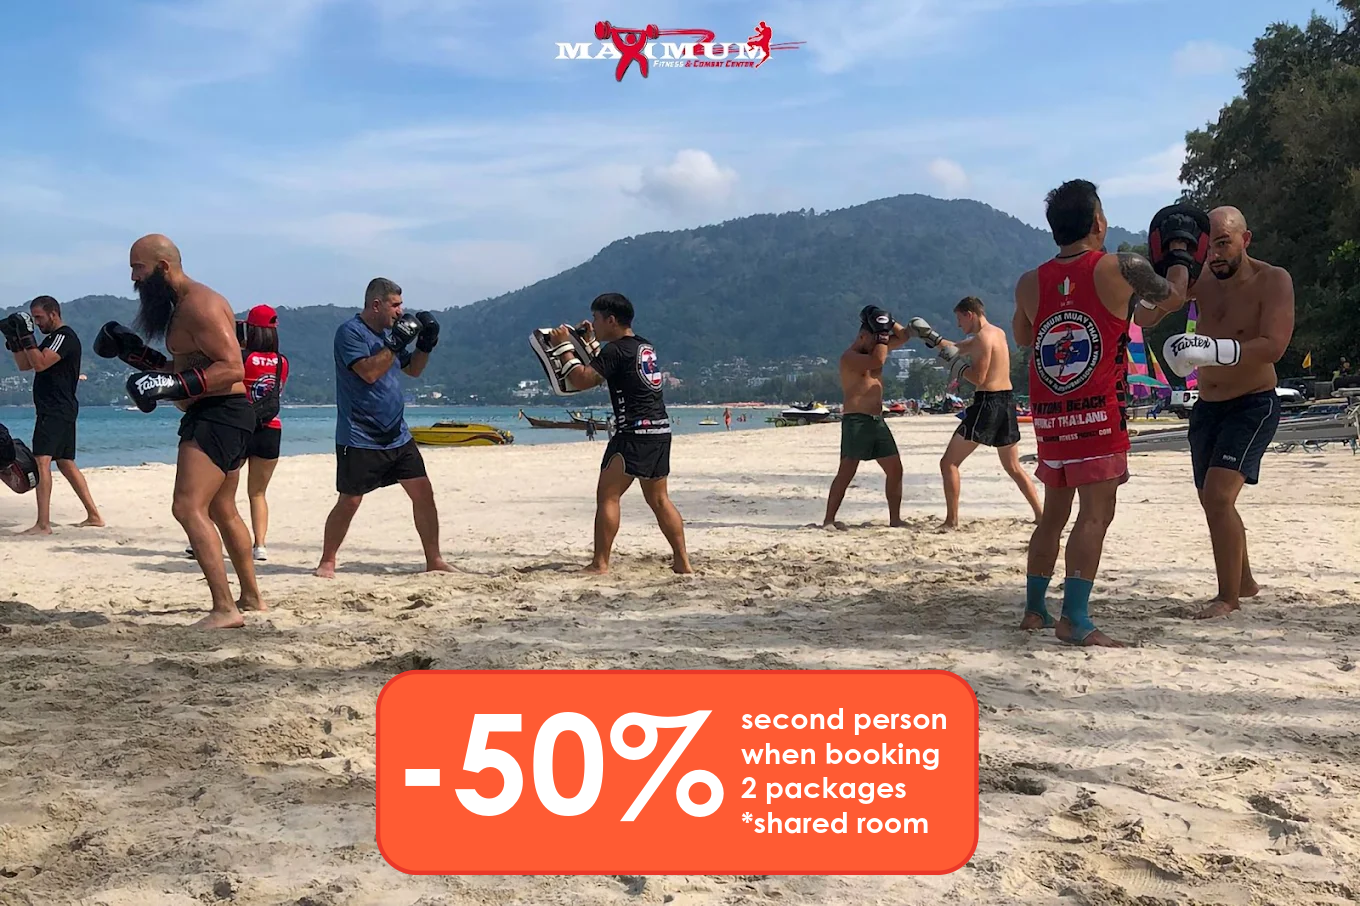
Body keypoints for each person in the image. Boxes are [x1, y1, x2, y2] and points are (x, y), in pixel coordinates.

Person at [1012, 181, 1196, 647]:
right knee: (1094, 516)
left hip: (1052, 416)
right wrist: (1178, 251)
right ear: (1098, 222)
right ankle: (1074, 617)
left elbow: (1024, 335)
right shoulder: (1123, 267)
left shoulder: (1029, 282)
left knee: (1052, 517)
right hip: (1097, 412)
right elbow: (1173, 297)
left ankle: (1035, 609)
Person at [95, 234, 265, 629]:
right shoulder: (181, 308)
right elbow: (189, 366)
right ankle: (252, 597)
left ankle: (225, 610)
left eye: (138, 268)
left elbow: (231, 368)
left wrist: (172, 387)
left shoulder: (199, 306)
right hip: (226, 414)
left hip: (218, 414)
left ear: (163, 267)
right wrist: (138, 358)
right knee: (222, 508)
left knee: (187, 507)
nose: (135, 278)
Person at [1149, 206, 1295, 620]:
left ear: (1245, 240)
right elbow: (1147, 314)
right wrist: (1164, 276)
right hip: (1208, 406)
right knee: (1211, 500)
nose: (1214, 254)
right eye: (1208, 245)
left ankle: (1227, 597)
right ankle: (1244, 581)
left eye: (1223, 243)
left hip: (1253, 403)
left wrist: (1214, 350)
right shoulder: (1201, 280)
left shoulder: (1273, 279)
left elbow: (1274, 345)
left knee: (1217, 497)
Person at [546, 292, 693, 575]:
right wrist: (589, 341)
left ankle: (600, 563)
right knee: (660, 500)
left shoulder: (616, 350)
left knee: (608, 497)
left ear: (611, 320)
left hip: (633, 433)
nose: (594, 323)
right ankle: (682, 562)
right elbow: (608, 366)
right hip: (660, 430)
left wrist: (563, 346)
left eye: (597, 319)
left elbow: (581, 379)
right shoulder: (642, 346)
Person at [315, 278, 451, 578]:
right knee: (350, 500)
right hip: (360, 434)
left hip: (397, 434)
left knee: (423, 495)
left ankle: (434, 559)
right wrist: (396, 342)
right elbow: (369, 373)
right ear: (376, 304)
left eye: (401, 304)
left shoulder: (390, 334)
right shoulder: (350, 333)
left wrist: (426, 343)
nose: (401, 311)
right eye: (395, 304)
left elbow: (413, 370)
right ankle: (327, 560)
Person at [909, 297, 1044, 529]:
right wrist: (932, 337)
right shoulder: (997, 333)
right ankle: (1042, 516)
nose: (959, 324)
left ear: (969, 314)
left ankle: (951, 521)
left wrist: (956, 368)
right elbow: (958, 347)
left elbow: (978, 377)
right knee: (1013, 467)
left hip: (987, 404)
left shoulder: (981, 338)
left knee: (948, 463)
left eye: (960, 319)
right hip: (1007, 402)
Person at [3, 297, 104, 533]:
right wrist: (14, 339)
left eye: (39, 317)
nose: (36, 323)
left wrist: (27, 337)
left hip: (55, 409)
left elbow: (39, 364)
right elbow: (24, 365)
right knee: (66, 462)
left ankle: (43, 524)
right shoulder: (51, 340)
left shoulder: (63, 337)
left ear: (54, 314)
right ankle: (94, 515)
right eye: (33, 318)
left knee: (42, 460)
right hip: (58, 408)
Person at [822, 305, 911, 529]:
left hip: (877, 420)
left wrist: (888, 323)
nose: (877, 344)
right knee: (847, 471)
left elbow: (904, 337)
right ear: (862, 336)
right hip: (856, 420)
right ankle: (829, 520)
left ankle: (895, 519)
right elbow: (877, 363)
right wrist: (881, 336)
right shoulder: (849, 357)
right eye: (873, 340)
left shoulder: (876, 347)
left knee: (895, 469)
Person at [240, 305, 290, 561]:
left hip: (241, 427)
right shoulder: (282, 362)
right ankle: (260, 545)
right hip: (271, 429)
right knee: (258, 493)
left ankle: (209, 537)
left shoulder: (243, 358)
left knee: (220, 492)